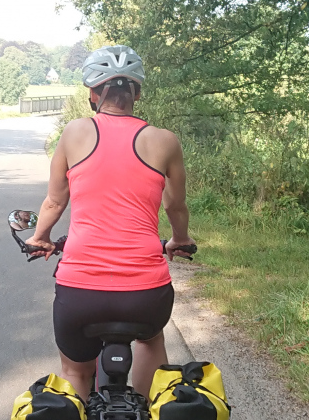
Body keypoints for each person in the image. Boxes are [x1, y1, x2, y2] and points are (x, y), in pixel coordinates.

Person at [25, 45, 196, 398]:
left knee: (75, 371)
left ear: (93, 93)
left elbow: (55, 201)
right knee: (150, 341)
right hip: (145, 295)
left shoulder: (74, 133)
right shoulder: (164, 141)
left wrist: (40, 237)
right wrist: (180, 239)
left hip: (80, 293)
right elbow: (175, 206)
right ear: (137, 93)